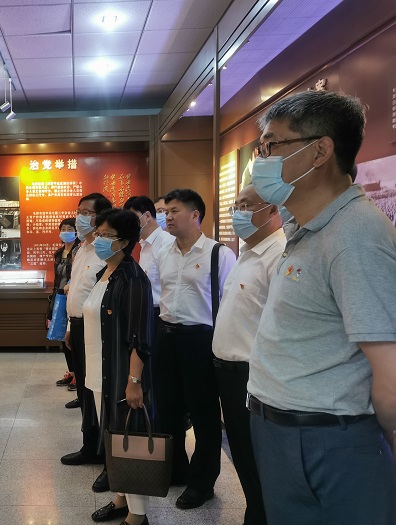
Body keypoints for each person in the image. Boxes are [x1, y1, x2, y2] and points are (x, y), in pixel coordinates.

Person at [247, 90, 396, 524]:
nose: (262, 161)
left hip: (331, 440)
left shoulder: (355, 235)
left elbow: (388, 369)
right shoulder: (308, 227)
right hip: (284, 431)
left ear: (319, 151)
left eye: (272, 146)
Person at [155, 188, 236, 509]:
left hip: (201, 339)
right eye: (166, 211)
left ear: (195, 215)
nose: (168, 217)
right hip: (166, 336)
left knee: (204, 415)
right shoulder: (165, 252)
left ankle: (202, 483)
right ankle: (176, 470)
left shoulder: (218, 254)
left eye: (174, 210)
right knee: (168, 409)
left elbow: (229, 303)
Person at [211, 183, 286, 525]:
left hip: (253, 375)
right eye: (236, 206)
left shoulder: (279, 255)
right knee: (241, 453)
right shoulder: (247, 253)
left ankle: (262, 515)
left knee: (258, 459)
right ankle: (255, 511)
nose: (239, 213)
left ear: (274, 210)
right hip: (228, 373)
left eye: (248, 206)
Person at [86, 209, 157, 525]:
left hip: (121, 375)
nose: (98, 240)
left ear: (125, 242)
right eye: (98, 233)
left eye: (106, 235)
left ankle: (137, 516)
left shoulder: (133, 278)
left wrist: (134, 381)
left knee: (131, 442)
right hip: (100, 372)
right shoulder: (105, 273)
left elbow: (140, 337)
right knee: (114, 440)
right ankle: (121, 498)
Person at [60, 193, 112, 495]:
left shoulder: (106, 251)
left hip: (98, 331)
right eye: (78, 211)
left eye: (87, 212)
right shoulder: (81, 249)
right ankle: (89, 445)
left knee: (100, 392)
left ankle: (108, 457)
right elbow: (76, 293)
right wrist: (70, 326)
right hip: (78, 327)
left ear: (101, 216)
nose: (80, 217)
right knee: (84, 390)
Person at [123, 195, 174, 318]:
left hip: (162, 314)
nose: (130, 225)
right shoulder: (145, 244)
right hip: (147, 311)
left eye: (133, 219)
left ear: (147, 216)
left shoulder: (166, 242)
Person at [49, 218, 80, 388]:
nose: (66, 232)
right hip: (59, 296)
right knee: (63, 336)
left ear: (76, 231)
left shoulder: (78, 251)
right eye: (63, 229)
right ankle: (72, 372)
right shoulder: (58, 253)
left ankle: (79, 374)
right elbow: (57, 279)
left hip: (73, 297)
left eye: (70, 228)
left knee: (73, 337)